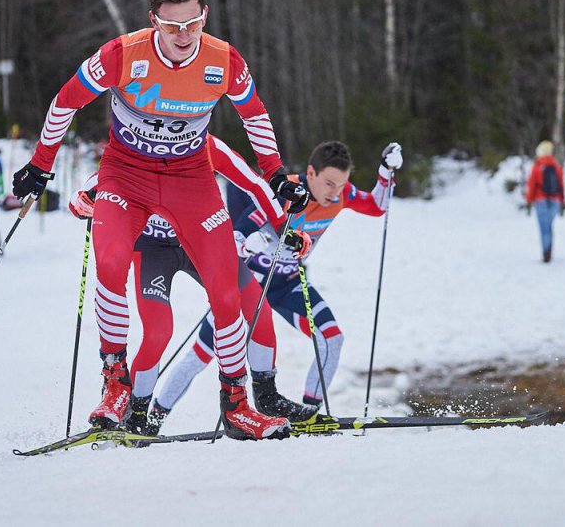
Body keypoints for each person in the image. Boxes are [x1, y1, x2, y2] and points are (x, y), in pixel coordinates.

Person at [12, 0, 309, 440]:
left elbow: (254, 114)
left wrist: (275, 175)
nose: (183, 36)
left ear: (204, 16)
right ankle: (115, 383)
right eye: (172, 27)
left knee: (227, 291)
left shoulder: (223, 60)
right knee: (110, 263)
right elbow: (65, 102)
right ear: (154, 21)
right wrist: (40, 164)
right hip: (126, 176)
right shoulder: (121, 54)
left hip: (190, 180)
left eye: (192, 24)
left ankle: (237, 406)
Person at [69, 133, 317, 434]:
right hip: (154, 249)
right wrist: (82, 202)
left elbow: (253, 184)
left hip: (204, 239)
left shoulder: (205, 142)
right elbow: (92, 188)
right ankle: (135, 413)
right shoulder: (138, 142)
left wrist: (283, 228)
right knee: (159, 331)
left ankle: (265, 396)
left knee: (256, 308)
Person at [154, 140, 402, 428]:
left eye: (341, 185)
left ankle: (309, 414)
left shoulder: (341, 195)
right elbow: (235, 236)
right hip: (250, 285)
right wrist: (252, 244)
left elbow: (376, 206)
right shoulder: (284, 191)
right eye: (329, 184)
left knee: (332, 338)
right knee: (201, 355)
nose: (335, 193)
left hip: (286, 284)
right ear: (311, 173)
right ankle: (153, 417)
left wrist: (386, 171)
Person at [526, 140, 565, 263]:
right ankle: (549, 251)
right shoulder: (556, 165)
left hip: (541, 199)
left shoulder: (537, 166)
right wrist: (562, 199)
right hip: (555, 200)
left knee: (544, 228)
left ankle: (546, 253)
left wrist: (529, 199)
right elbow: (561, 184)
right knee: (549, 227)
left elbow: (532, 184)